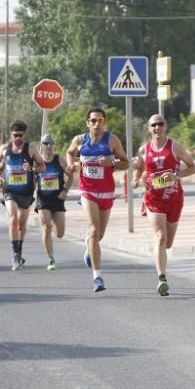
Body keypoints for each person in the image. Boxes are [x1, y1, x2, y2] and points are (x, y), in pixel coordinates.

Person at [131, 114, 195, 296]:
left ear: (165, 126)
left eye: (160, 124)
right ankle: (162, 278)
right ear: (148, 128)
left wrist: (176, 176)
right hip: (153, 199)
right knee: (160, 237)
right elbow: (139, 168)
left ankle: (162, 263)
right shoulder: (143, 150)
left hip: (174, 198)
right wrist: (136, 180)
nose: (157, 128)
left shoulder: (174, 147)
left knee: (167, 243)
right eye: (153, 125)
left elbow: (193, 167)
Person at [65, 107, 129, 292]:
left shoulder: (112, 140)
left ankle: (89, 247)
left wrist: (113, 163)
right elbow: (69, 153)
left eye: (100, 120)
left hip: (106, 191)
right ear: (88, 123)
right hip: (87, 191)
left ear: (104, 123)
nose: (97, 124)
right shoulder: (79, 140)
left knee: (98, 235)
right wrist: (70, 166)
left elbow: (126, 162)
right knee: (93, 230)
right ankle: (97, 277)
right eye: (93, 121)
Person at [0, 121, 45, 270]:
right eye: (15, 135)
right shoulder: (4, 149)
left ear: (24, 135)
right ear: (11, 135)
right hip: (10, 191)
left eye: (20, 135)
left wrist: (32, 168)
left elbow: (43, 166)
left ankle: (19, 253)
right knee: (13, 218)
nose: (17, 138)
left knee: (22, 225)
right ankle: (15, 255)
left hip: (26, 192)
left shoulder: (31, 150)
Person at [34, 133, 73, 271]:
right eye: (46, 144)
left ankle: (53, 231)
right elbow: (31, 179)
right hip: (43, 198)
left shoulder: (59, 160)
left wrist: (65, 191)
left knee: (60, 233)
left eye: (51, 143)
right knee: (46, 227)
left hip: (57, 199)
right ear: (42, 146)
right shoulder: (37, 162)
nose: (48, 146)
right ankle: (51, 259)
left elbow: (70, 177)